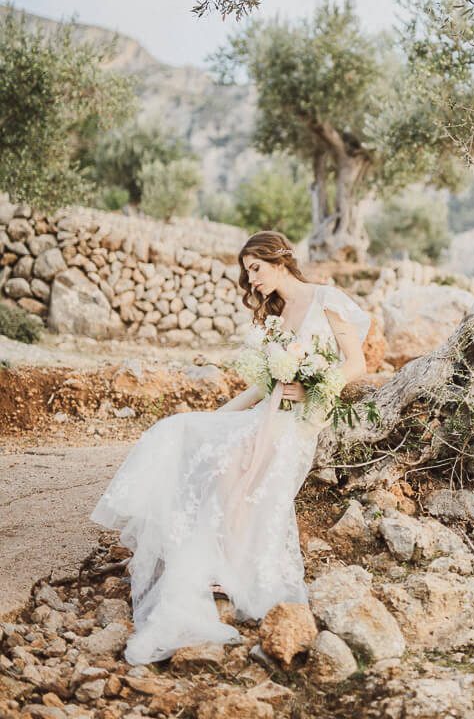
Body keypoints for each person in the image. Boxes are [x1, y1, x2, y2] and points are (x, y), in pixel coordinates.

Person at [90, 231, 372, 665]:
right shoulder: (275, 316)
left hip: (303, 419)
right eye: (246, 272)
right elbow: (264, 385)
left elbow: (356, 364)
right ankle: (217, 566)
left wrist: (314, 387)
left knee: (245, 461)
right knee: (187, 435)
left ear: (279, 261)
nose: (251, 279)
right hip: (271, 412)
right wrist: (217, 415)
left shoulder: (325, 299)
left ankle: (234, 569)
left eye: (255, 268)